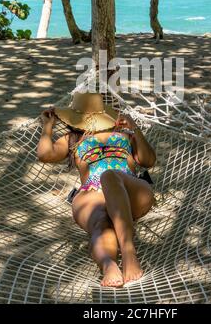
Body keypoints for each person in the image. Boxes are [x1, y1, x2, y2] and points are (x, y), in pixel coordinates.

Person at [37, 92, 156, 288]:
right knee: (101, 225)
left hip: (129, 189)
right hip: (92, 195)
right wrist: (47, 127)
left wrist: (135, 129)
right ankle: (108, 265)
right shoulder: (72, 139)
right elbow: (45, 154)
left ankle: (128, 252)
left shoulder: (125, 134)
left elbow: (148, 161)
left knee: (110, 176)